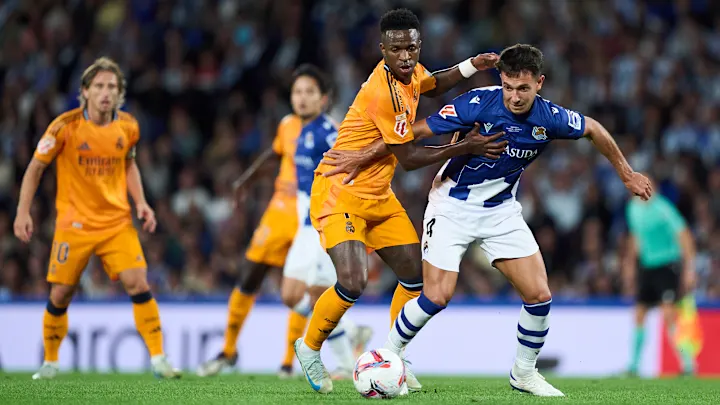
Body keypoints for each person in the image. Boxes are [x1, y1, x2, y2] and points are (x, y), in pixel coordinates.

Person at [325, 44, 652, 397]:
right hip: (451, 206)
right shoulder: (478, 103)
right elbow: (410, 134)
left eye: (523, 89)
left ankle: (523, 373)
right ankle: (389, 355)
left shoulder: (551, 118)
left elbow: (594, 129)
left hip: (501, 212)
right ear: (501, 80)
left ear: (539, 83)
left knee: (539, 296)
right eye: (508, 87)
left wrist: (627, 173)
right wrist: (362, 156)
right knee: (436, 296)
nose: (514, 97)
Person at [293, 8, 505, 394]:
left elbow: (436, 83)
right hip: (341, 191)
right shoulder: (382, 91)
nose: (406, 56)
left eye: (411, 48)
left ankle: (396, 355)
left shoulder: (409, 75)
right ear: (383, 50)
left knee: (414, 277)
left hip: (378, 194)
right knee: (353, 282)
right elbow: (407, 159)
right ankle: (308, 348)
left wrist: (473, 65)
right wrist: (465, 147)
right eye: (397, 50)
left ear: (418, 46)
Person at [197, 66, 370, 378]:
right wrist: (247, 179)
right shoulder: (292, 128)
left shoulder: (328, 133)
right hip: (294, 213)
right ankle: (349, 330)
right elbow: (275, 155)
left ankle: (323, 362)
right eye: (297, 92)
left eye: (309, 92)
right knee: (289, 293)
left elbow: (349, 168)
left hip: (318, 217)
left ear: (324, 98)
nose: (302, 99)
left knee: (316, 290)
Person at [14, 57, 180, 379]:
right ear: (85, 92)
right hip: (73, 224)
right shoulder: (64, 126)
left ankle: (159, 359)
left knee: (139, 282)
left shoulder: (128, 126)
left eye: (113, 87)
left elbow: (129, 163)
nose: (106, 93)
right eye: (100, 86)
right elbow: (35, 168)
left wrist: (141, 203)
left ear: (120, 94)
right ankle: (50, 362)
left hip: (116, 223)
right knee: (60, 294)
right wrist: (23, 211)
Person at [623, 182, 697, 376]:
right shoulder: (633, 209)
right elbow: (635, 236)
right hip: (647, 267)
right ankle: (634, 366)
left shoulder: (663, 208)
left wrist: (690, 268)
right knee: (639, 313)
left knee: (669, 314)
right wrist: (630, 265)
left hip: (667, 265)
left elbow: (684, 234)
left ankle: (688, 364)